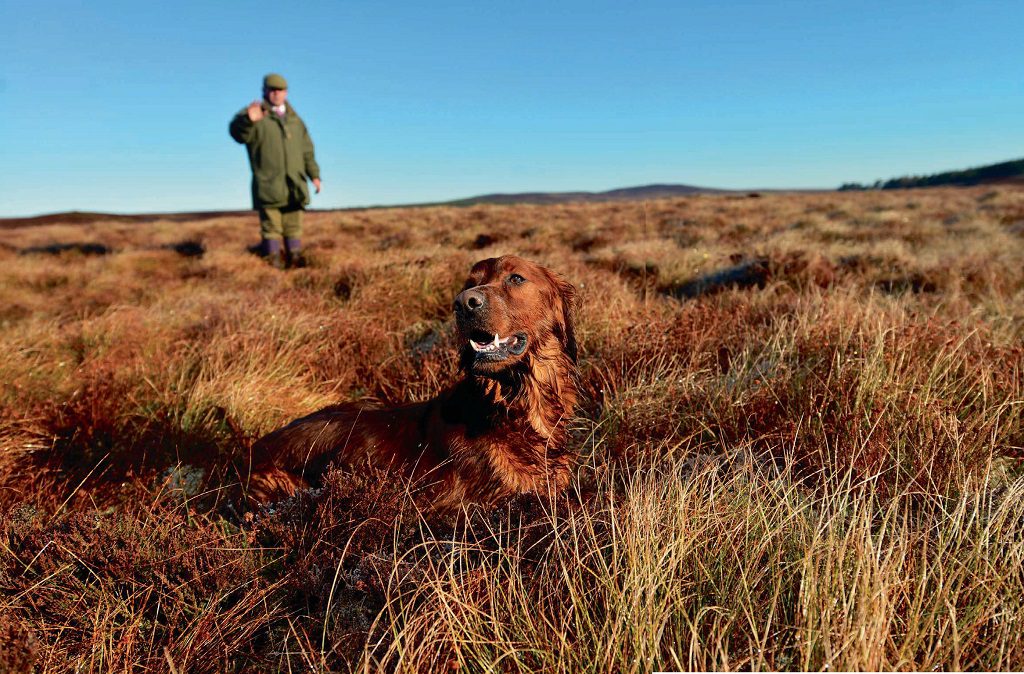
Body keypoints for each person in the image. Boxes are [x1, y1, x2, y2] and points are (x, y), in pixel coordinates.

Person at [229, 73, 321, 268]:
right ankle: (273, 265)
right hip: (268, 183)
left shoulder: (296, 121)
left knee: (293, 226)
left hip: (294, 183)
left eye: (280, 90)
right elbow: (237, 133)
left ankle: (295, 262)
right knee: (271, 227)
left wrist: (314, 175)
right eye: (272, 90)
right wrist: (247, 120)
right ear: (265, 91)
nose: (276, 94)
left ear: (286, 93)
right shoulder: (255, 114)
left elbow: (307, 150)